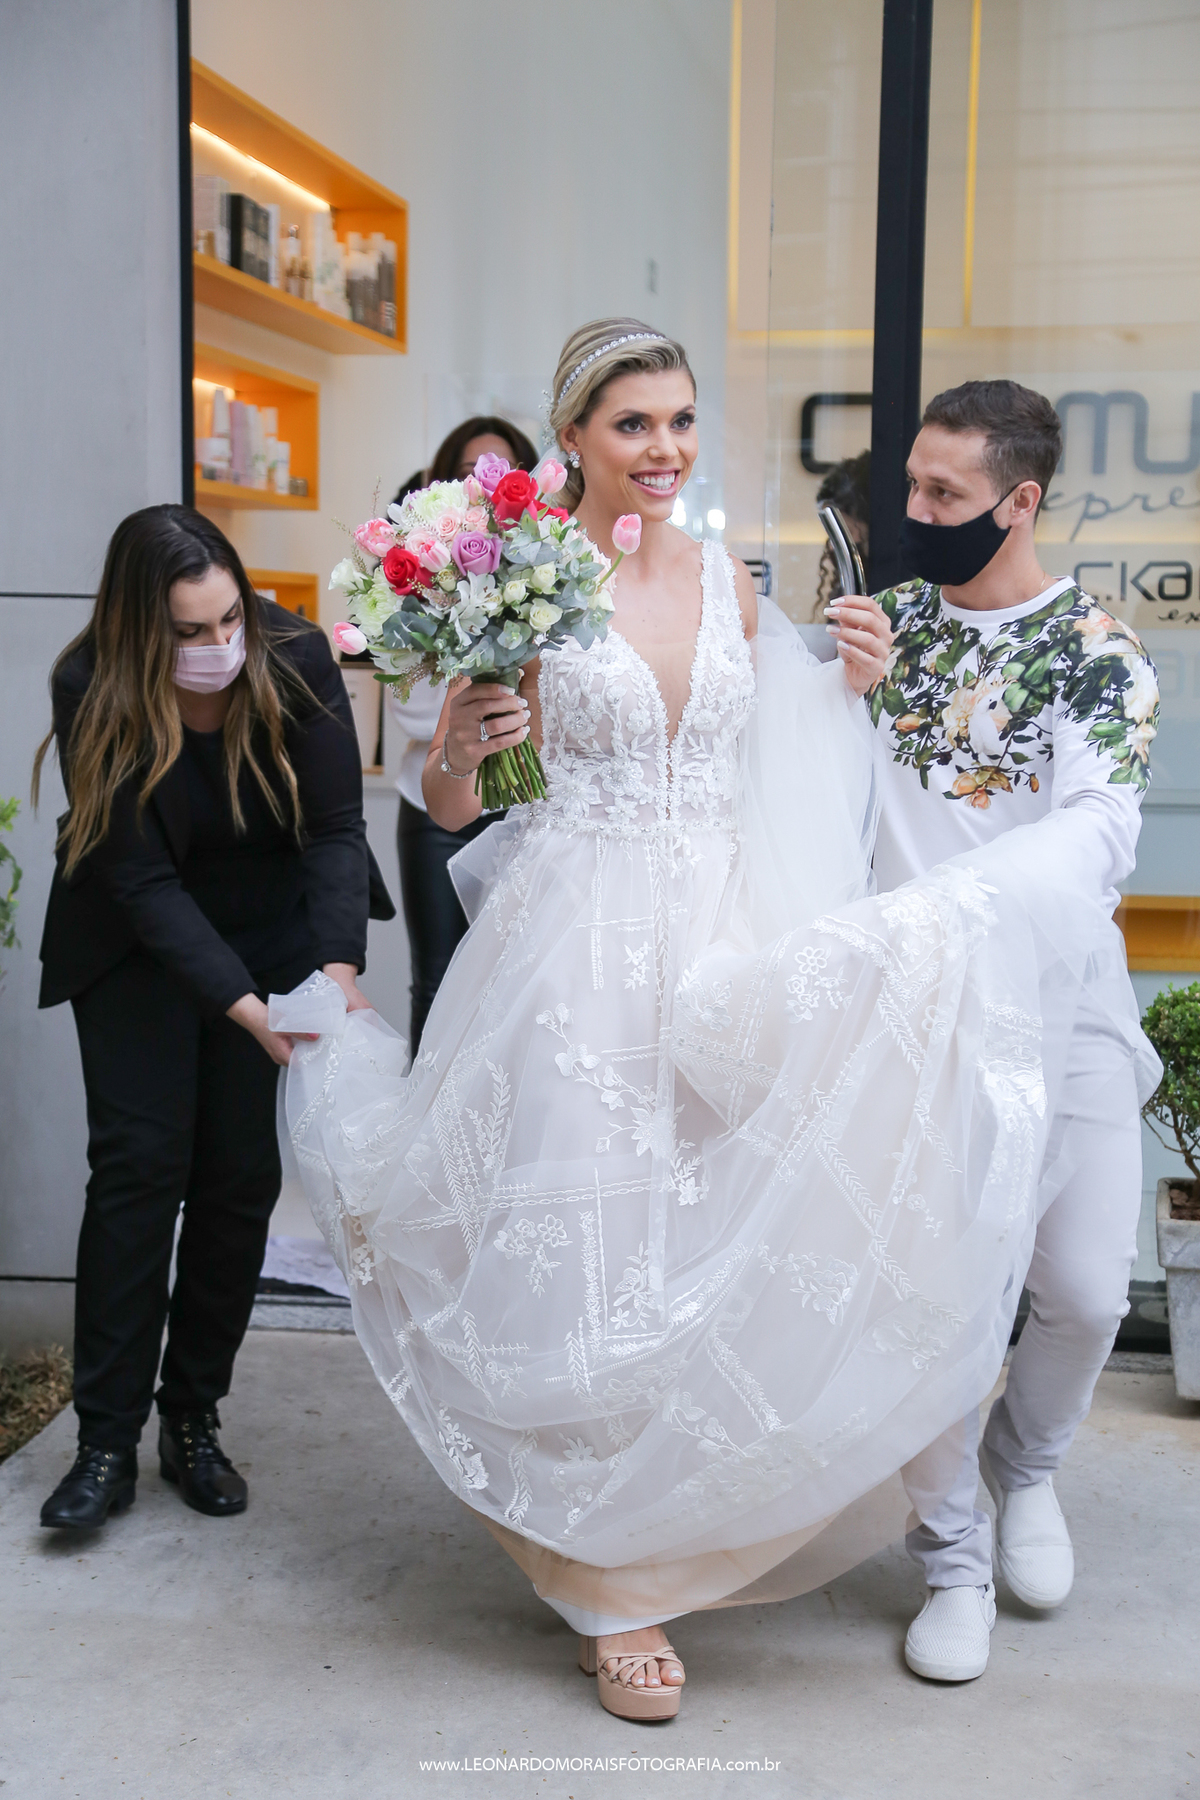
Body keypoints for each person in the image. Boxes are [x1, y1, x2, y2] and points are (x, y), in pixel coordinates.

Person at [271, 322, 1154, 1723]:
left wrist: (850, 688)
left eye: (681, 420)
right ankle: (611, 1585)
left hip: (726, 946)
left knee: (706, 1238)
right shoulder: (522, 587)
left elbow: (793, 771)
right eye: (635, 424)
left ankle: (679, 1519)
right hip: (575, 953)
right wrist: (452, 746)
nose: (666, 448)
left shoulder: (736, 585)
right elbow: (454, 811)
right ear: (576, 440)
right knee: (589, 1248)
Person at [863, 380, 1161, 1683]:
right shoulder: (883, 635)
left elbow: (1099, 834)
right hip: (911, 1017)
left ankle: (1023, 1466)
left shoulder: (1102, 655)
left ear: (1019, 500)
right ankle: (951, 1558)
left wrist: (951, 904)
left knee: (1088, 1287)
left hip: (1065, 1002)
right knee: (935, 1304)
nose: (916, 514)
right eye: (912, 486)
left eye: (946, 496)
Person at [33, 504, 392, 1532]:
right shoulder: (89, 681)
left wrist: (331, 968)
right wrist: (239, 1006)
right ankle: (105, 1439)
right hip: (136, 943)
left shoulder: (297, 657)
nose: (216, 648)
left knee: (239, 1183)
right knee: (140, 1173)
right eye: (187, 634)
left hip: (271, 931)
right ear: (144, 632)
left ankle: (193, 1418)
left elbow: (332, 828)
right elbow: (137, 881)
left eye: (227, 619)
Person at [387, 416, 538, 1047]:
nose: (486, 486)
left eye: (501, 474)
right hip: (433, 810)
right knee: (439, 981)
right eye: (472, 472)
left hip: (521, 808)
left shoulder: (542, 575)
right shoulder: (420, 577)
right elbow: (413, 716)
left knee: (519, 984)